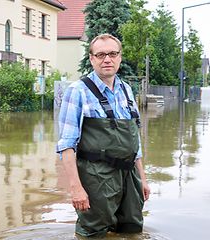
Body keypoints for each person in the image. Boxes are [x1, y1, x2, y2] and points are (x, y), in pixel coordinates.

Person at [56, 33, 150, 238]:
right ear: (91, 59)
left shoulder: (126, 89)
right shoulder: (77, 91)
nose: (107, 59)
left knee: (132, 228)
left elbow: (135, 140)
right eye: (100, 55)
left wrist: (142, 178)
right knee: (92, 232)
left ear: (120, 57)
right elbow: (66, 145)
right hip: (96, 177)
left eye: (112, 54)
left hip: (129, 176)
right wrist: (76, 188)